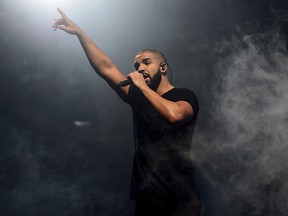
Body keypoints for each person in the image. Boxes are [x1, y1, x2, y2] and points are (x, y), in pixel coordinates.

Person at [53, 8, 201, 216]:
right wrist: (79, 33)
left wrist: (141, 86)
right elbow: (106, 67)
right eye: (136, 65)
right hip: (147, 197)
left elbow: (174, 115)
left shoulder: (184, 95)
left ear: (163, 68)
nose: (139, 68)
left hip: (181, 199)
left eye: (146, 63)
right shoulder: (138, 97)